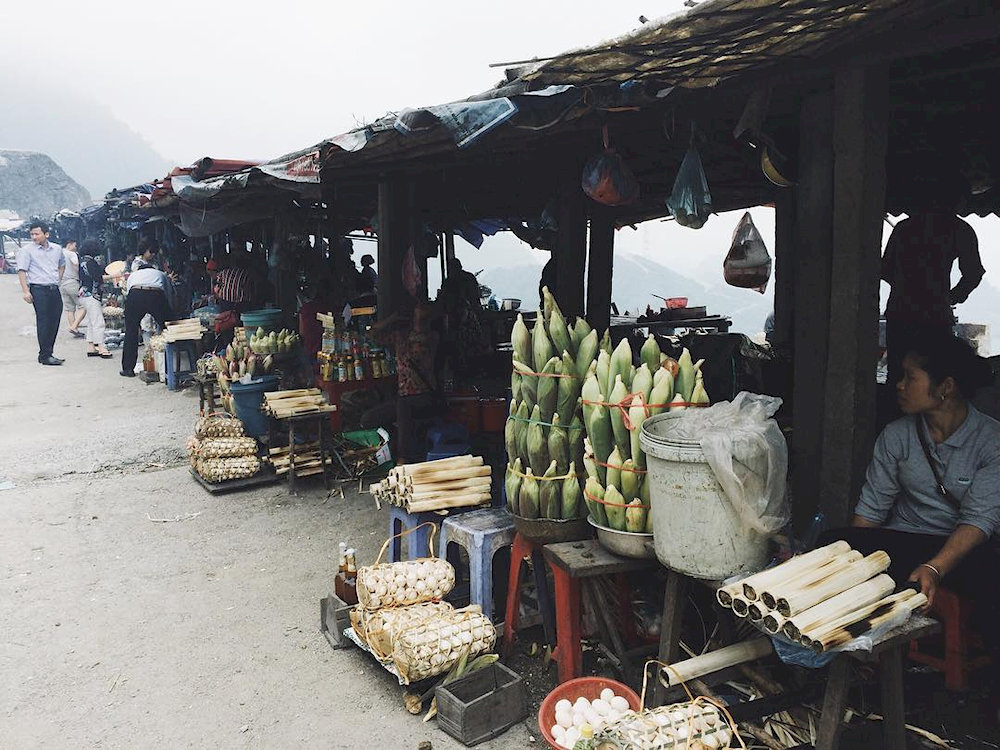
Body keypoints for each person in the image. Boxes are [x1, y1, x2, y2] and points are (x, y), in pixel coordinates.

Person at [822, 334, 998, 659]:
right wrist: (851, 561)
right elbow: (871, 511)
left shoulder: (991, 442)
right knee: (830, 542)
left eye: (910, 377)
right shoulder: (897, 436)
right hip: (906, 541)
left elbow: (978, 520)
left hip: (962, 550)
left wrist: (934, 568)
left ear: (945, 387)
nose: (899, 385)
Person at [881, 186, 985, 389]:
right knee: (935, 377)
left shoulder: (904, 228)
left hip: (901, 313)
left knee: (898, 377)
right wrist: (953, 296)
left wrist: (907, 287)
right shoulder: (959, 229)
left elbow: (885, 270)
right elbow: (974, 273)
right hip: (935, 315)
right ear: (959, 200)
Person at [361, 304, 441, 463]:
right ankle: (393, 446)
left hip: (426, 396)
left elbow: (419, 346)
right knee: (368, 419)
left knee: (403, 406)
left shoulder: (432, 337)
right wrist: (391, 319)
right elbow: (371, 334)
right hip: (404, 398)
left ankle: (404, 458)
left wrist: (418, 320)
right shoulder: (400, 337)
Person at [17, 220, 66, 366]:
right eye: (32, 234)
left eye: (37, 234)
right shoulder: (27, 250)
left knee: (55, 320)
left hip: (53, 288)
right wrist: (25, 291)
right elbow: (22, 271)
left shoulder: (57, 249)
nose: (34, 237)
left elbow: (62, 265)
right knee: (43, 321)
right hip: (38, 289)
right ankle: (44, 355)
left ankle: (48, 351)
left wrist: (58, 279)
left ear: (46, 234)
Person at [120, 260, 171, 377]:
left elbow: (129, 292)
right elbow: (167, 293)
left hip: (135, 295)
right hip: (155, 294)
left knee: (131, 331)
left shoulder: (133, 275)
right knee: (168, 326)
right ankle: (169, 363)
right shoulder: (160, 274)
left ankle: (128, 369)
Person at [77, 240, 112, 359]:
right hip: (93, 294)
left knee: (91, 322)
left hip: (83, 294)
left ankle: (91, 346)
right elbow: (99, 277)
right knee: (98, 322)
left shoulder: (82, 262)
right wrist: (116, 275)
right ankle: (102, 347)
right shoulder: (91, 262)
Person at [60, 239, 86, 337]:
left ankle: (74, 329)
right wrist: (81, 276)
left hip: (62, 283)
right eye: (74, 245)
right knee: (83, 306)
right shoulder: (71, 254)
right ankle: (74, 326)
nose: (75, 247)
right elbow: (76, 264)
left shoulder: (59, 253)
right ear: (70, 244)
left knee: (70, 309)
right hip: (72, 282)